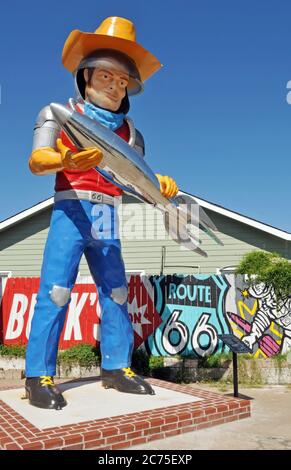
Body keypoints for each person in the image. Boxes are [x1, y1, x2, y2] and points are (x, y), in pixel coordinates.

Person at [25, 16, 179, 409]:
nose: (115, 86)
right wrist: (64, 159)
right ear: (86, 75)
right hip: (71, 207)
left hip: (109, 213)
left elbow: (134, 182)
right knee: (57, 291)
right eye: (107, 77)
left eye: (122, 81)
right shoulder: (59, 114)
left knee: (116, 292)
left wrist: (157, 185)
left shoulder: (132, 134)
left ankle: (116, 366)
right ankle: (37, 375)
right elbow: (37, 160)